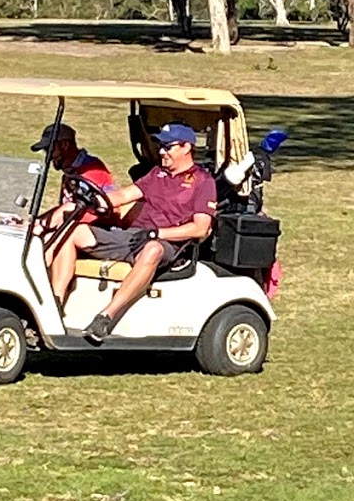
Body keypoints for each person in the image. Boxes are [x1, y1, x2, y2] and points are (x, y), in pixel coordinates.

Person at [48, 123, 217, 343]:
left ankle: (105, 317)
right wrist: (95, 201)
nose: (161, 152)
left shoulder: (203, 182)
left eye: (168, 147)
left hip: (167, 244)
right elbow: (125, 195)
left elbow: (200, 228)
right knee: (74, 232)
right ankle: (55, 305)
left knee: (152, 249)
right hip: (133, 236)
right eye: (160, 146)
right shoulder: (157, 174)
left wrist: (158, 234)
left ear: (186, 148)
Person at [31, 123, 115, 233]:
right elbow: (64, 210)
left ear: (65, 144)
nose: (48, 156)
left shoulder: (91, 170)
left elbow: (90, 214)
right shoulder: (70, 173)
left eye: (50, 150)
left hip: (96, 230)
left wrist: (43, 225)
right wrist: (35, 221)